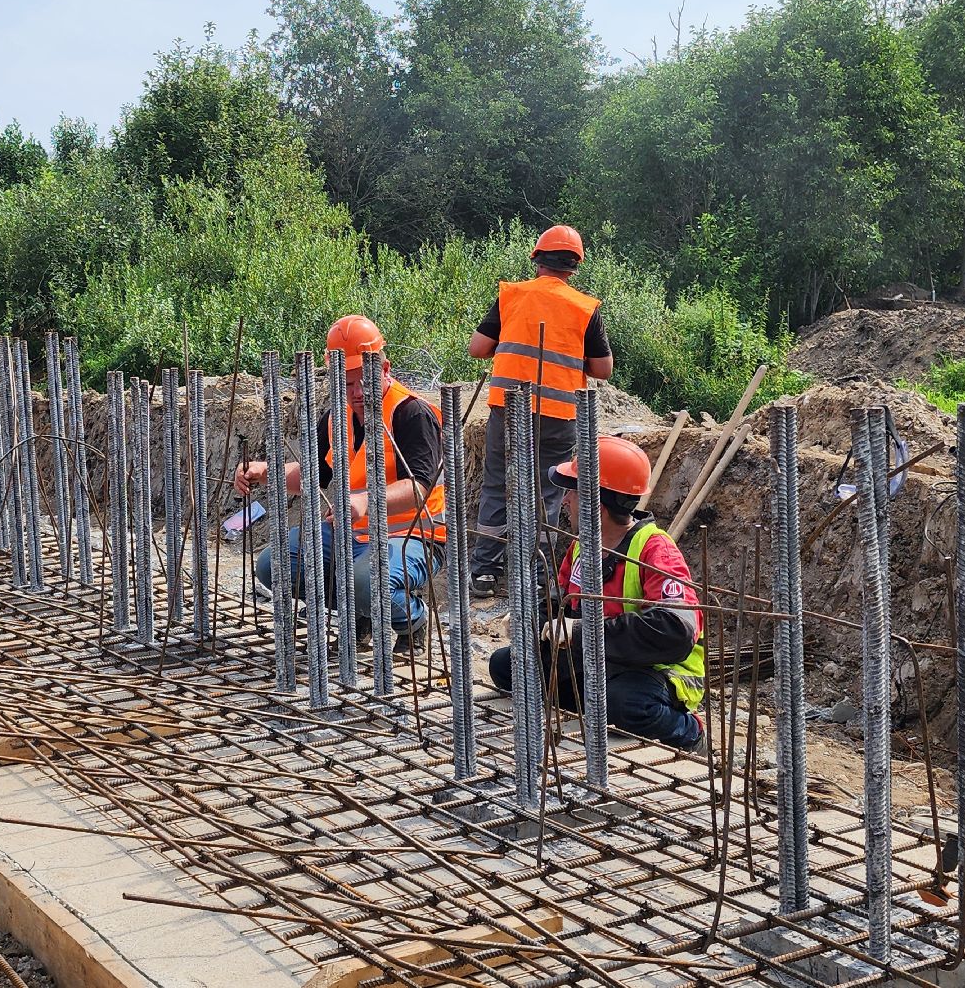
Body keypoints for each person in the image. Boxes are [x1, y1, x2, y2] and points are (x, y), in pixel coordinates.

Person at [235, 315, 446, 653]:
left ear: (385, 367)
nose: (358, 392)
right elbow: (311, 474)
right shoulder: (338, 417)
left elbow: (419, 487)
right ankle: (361, 612)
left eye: (365, 379)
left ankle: (411, 619)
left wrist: (364, 501)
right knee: (273, 563)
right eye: (347, 384)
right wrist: (264, 471)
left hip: (414, 538)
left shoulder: (412, 414)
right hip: (355, 534)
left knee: (369, 581)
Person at [487, 437, 705, 751]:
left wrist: (582, 633)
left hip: (653, 671)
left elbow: (675, 632)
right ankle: (594, 705)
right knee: (506, 666)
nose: (565, 501)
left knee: (625, 704)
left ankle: (689, 732)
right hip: (598, 661)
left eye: (572, 492)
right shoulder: (581, 547)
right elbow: (559, 605)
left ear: (596, 505)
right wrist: (531, 620)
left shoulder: (656, 551)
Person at [466, 224, 613, 598]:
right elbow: (603, 370)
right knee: (548, 492)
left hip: (509, 408)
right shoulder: (585, 308)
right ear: (574, 267)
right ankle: (535, 573)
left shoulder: (511, 296)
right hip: (559, 413)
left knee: (498, 484)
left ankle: (485, 571)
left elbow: (478, 347)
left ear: (537, 260)